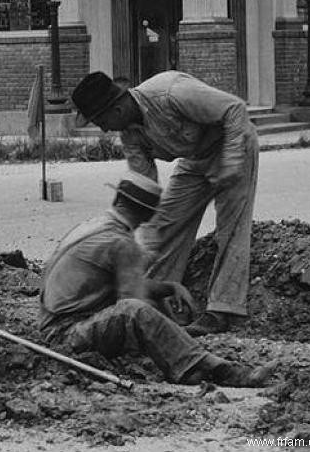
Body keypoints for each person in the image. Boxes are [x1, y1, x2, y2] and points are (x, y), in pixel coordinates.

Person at [38, 172, 274, 387]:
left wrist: (167, 288)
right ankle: (222, 370)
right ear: (147, 214)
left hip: (51, 323)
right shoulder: (121, 243)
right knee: (139, 311)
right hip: (67, 335)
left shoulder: (95, 226)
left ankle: (186, 368)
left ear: (117, 199)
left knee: (143, 311)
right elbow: (134, 307)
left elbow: (120, 286)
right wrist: (172, 327)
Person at [70, 70, 258, 336]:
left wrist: (231, 160)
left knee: (232, 228)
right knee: (164, 226)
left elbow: (235, 109)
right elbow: (144, 191)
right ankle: (162, 308)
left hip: (233, 145)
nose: (103, 129)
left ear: (119, 106)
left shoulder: (171, 93)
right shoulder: (130, 135)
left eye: (101, 119)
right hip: (194, 159)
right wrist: (129, 237)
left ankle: (222, 310)